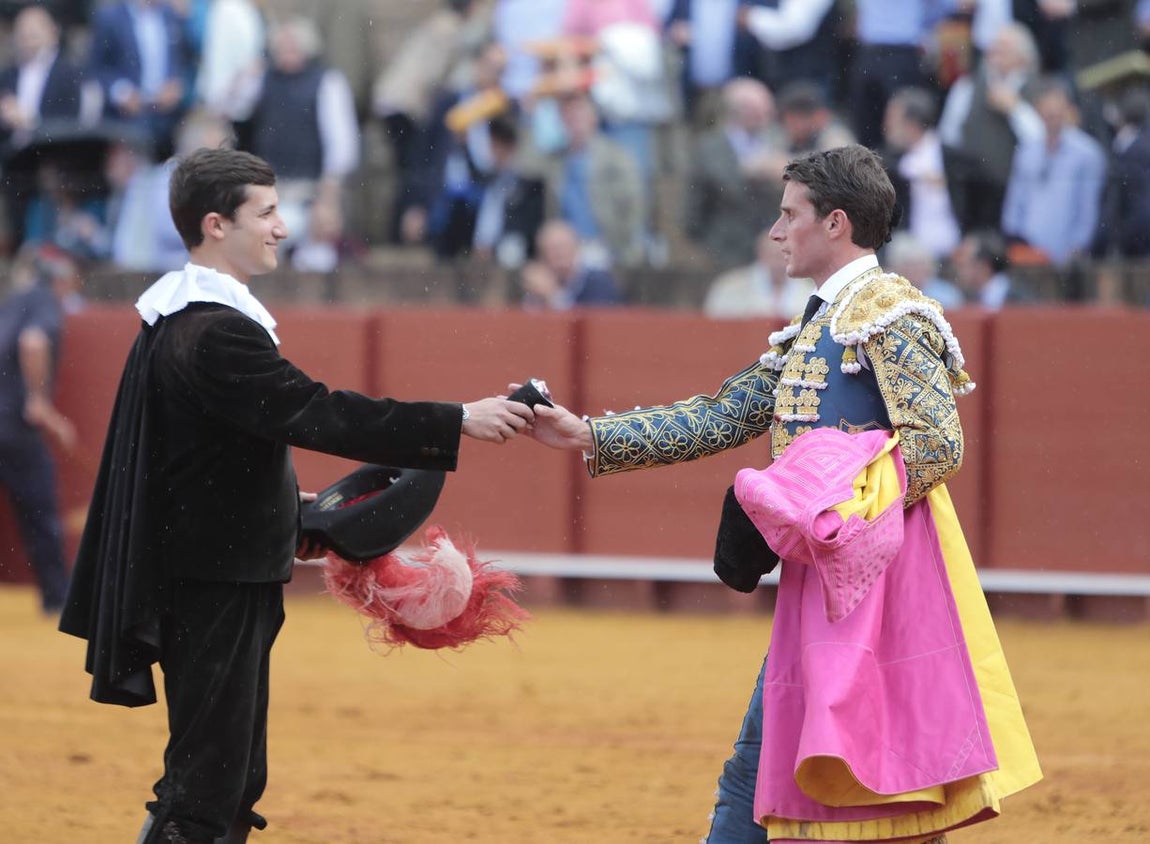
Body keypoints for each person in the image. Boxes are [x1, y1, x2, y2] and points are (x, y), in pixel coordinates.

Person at [528, 144, 1040, 842]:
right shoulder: (822, 322)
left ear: (835, 223)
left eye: (788, 214)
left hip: (878, 584)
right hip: (830, 581)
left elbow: (936, 442)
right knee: (823, 765)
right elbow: (724, 413)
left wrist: (822, 508)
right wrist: (588, 435)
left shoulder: (890, 312)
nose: (775, 231)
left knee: (806, 764)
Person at [58, 147, 534, 844]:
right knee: (209, 783)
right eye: (269, 213)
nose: (284, 227)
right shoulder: (214, 330)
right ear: (216, 225)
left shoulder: (182, 317)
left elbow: (203, 459)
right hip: (213, 582)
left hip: (217, 570)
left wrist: (290, 512)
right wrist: (456, 419)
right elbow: (317, 412)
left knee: (224, 774)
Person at [0, 244, 81, 615]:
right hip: (12, 423)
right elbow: (33, 342)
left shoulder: (15, 300)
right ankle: (56, 596)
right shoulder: (44, 301)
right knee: (39, 511)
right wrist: (40, 403)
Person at [702, 228, 814, 319]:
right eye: (772, 255)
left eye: (783, 255)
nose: (778, 263)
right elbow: (715, 328)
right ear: (760, 253)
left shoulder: (810, 290)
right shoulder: (729, 288)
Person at [952, 228, 1036, 308]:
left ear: (983, 266)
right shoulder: (971, 298)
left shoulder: (1019, 300)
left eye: (963, 263)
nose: (958, 268)